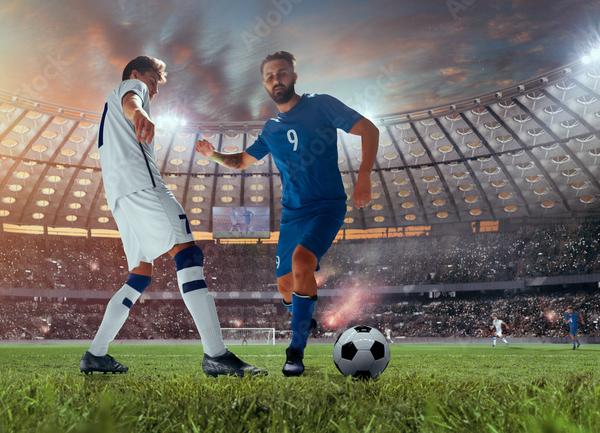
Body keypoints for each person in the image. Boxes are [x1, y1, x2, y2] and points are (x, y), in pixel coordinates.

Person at [195, 50, 378, 376]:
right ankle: (304, 319)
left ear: (294, 76)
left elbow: (369, 129)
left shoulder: (320, 104)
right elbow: (241, 162)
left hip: (326, 205)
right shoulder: (272, 129)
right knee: (283, 286)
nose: (275, 80)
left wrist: (364, 175)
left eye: (281, 73)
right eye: (269, 76)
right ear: (264, 84)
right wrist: (214, 155)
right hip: (293, 214)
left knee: (302, 262)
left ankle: (295, 352)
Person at [81, 55, 264, 377]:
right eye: (153, 83)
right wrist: (139, 113)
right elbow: (132, 99)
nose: (154, 91)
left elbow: (131, 102)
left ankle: (96, 354)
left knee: (139, 276)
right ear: (138, 74)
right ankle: (216, 355)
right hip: (141, 185)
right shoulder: (130, 87)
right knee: (189, 253)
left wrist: (137, 112)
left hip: (120, 196)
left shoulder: (109, 111)